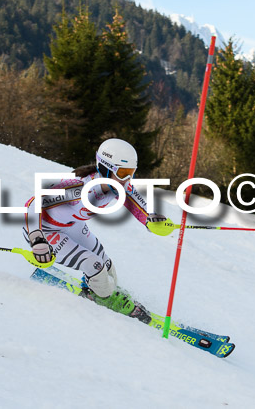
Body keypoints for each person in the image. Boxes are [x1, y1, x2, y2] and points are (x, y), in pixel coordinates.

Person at [23, 138, 173, 323]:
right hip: (44, 230)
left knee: (108, 269)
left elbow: (138, 206)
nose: (127, 179)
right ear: (105, 168)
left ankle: (97, 290)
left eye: (131, 173)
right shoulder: (79, 187)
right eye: (123, 173)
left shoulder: (118, 185)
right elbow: (33, 203)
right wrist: (37, 239)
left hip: (72, 227)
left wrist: (152, 219)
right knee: (94, 264)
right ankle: (102, 297)